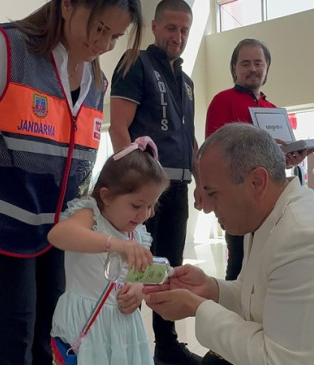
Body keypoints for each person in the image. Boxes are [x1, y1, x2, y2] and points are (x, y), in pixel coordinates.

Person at [0, 1, 143, 363]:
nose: (103, 44)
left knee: (49, 343)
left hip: (56, 241)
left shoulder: (96, 81)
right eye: (100, 29)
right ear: (68, 5)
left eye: (115, 36)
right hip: (2, 235)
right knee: (10, 348)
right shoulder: (5, 47)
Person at [144, 123, 314, 365]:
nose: (205, 207)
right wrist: (213, 290)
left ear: (256, 182)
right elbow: (262, 296)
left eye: (213, 193)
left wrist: (197, 308)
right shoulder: (272, 215)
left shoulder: (307, 237)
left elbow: (280, 361)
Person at [109, 1, 201, 363]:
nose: (177, 37)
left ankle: (166, 346)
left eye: (184, 31)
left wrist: (201, 183)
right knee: (131, 265)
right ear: (155, 27)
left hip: (179, 188)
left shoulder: (188, 82)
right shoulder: (135, 63)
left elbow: (188, 137)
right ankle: (119, 347)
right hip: (146, 192)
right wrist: (134, 191)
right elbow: (119, 127)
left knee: (168, 266)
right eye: (171, 28)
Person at [48, 137, 166, 364]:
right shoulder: (90, 215)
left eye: (151, 206)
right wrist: (116, 245)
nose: (144, 215)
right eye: (136, 205)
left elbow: (139, 275)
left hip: (123, 328)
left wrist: (139, 289)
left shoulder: (137, 233)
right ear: (106, 196)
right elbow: (58, 235)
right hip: (87, 325)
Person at [202, 38, 308, 284]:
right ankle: (231, 317)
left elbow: (276, 162)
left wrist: (290, 158)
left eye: (258, 63)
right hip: (238, 197)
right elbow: (213, 152)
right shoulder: (222, 101)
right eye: (246, 63)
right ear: (235, 69)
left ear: (267, 67)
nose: (253, 69)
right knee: (238, 264)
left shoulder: (272, 108)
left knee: (269, 261)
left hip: (271, 200)